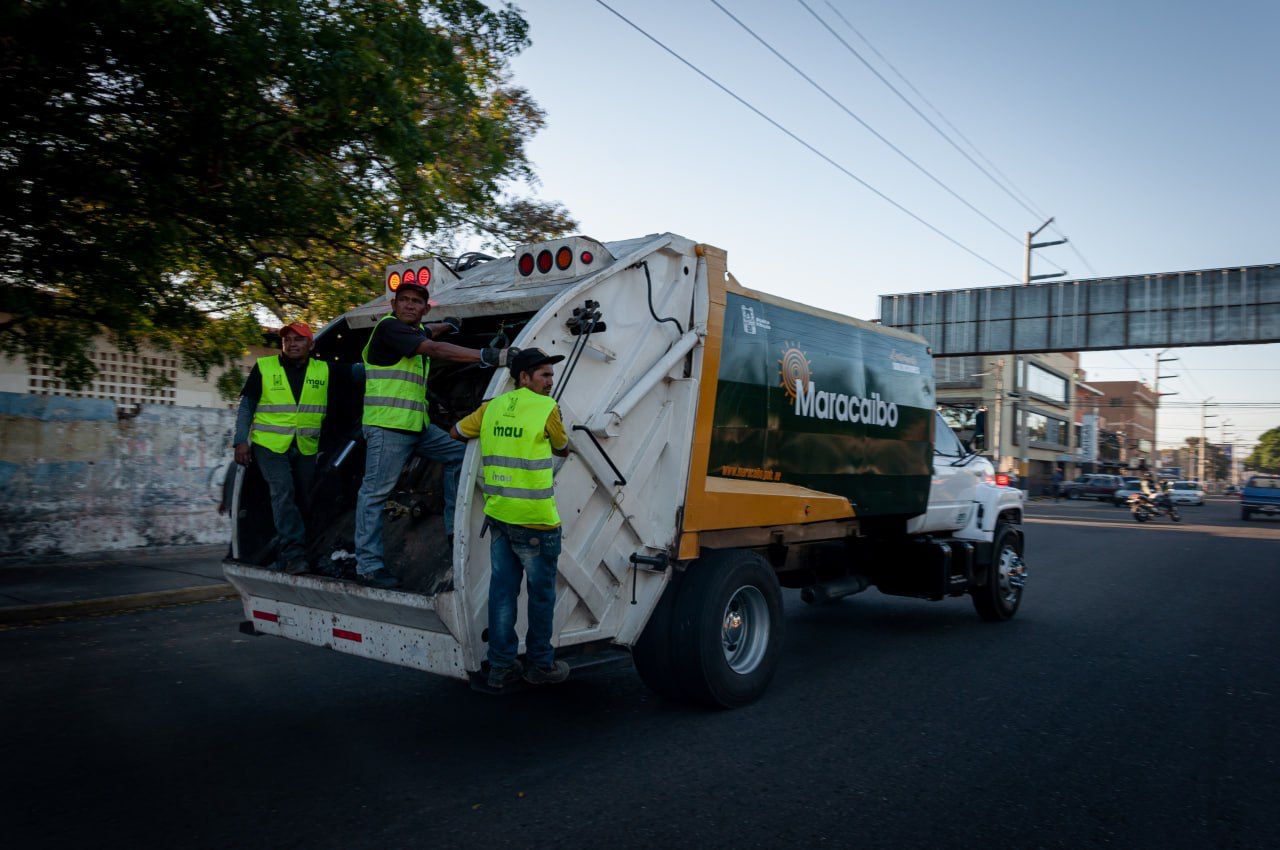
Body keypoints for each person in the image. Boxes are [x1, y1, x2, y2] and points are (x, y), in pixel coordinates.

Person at [354, 279, 514, 589]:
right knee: (373, 495)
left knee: (460, 456)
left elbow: (431, 333)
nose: (410, 304)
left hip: (417, 427)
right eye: (404, 299)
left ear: (424, 308)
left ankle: (454, 529)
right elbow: (434, 347)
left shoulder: (413, 330)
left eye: (417, 301)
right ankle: (368, 566)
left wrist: (447, 323)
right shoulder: (389, 329)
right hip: (388, 428)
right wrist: (490, 355)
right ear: (393, 305)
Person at [450, 348, 572, 688]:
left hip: (500, 516)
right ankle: (539, 666)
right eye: (544, 375)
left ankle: (501, 667)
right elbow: (562, 447)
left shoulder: (491, 408)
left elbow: (456, 433)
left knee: (502, 592)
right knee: (541, 596)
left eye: (551, 374)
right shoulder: (547, 409)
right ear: (523, 377)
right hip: (536, 521)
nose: (550, 381)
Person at [232, 322, 333, 574]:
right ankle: (293, 554)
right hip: (270, 445)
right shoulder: (265, 368)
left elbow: (356, 374)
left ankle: (303, 548)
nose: (292, 343)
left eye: (299, 339)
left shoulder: (323, 370)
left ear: (311, 344)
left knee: (305, 498)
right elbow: (247, 407)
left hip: (305, 445)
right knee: (283, 491)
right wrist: (241, 440)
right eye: (287, 339)